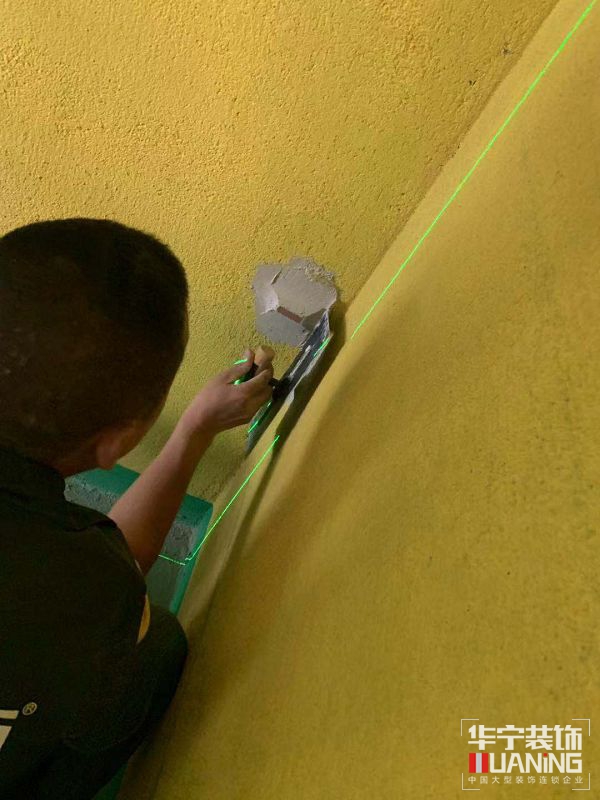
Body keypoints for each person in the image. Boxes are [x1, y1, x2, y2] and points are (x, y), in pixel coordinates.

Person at [0, 218, 275, 798]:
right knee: (155, 647)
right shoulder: (85, 591)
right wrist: (193, 432)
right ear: (120, 443)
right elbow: (101, 580)